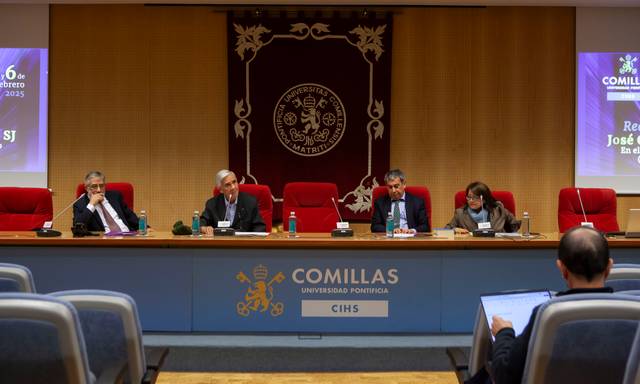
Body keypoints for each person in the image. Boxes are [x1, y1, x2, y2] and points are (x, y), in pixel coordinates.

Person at [488, 226, 614, 384]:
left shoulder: (549, 315)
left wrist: (504, 333)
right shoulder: (633, 313)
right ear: (609, 267)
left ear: (562, 269)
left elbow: (505, 377)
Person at [200, 169, 266, 234]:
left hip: (244, 243)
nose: (233, 187)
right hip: (221, 243)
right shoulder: (212, 204)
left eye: (234, 182)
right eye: (227, 185)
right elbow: (201, 223)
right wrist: (204, 228)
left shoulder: (250, 202)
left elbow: (260, 227)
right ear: (220, 190)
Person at [73, 171, 139, 233]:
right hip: (104, 241)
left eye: (101, 186)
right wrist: (91, 204)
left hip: (127, 236)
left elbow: (131, 218)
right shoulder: (80, 204)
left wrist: (145, 228)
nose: (99, 190)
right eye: (94, 186)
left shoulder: (115, 196)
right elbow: (78, 228)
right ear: (87, 188)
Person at [445, 181, 520, 234]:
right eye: (469, 197)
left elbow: (515, 225)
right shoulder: (460, 213)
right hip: (471, 249)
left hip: (498, 248)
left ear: (484, 199)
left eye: (475, 197)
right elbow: (446, 230)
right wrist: (455, 230)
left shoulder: (499, 209)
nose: (471, 201)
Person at [371, 169, 429, 233]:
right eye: (390, 187)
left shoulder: (417, 202)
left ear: (404, 184)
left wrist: (412, 230)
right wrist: (390, 230)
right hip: (389, 239)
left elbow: (425, 226)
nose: (393, 190)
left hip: (410, 239)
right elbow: (374, 226)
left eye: (396, 186)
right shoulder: (380, 203)